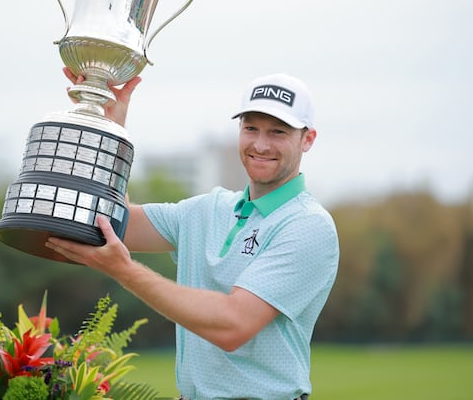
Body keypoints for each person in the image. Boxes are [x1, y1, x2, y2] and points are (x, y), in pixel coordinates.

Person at [47, 69, 340, 400]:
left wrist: (123, 271)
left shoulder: (307, 225)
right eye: (251, 128)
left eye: (278, 132)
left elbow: (233, 325)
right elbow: (114, 222)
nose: (260, 144)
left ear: (308, 139)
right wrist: (111, 128)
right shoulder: (209, 209)